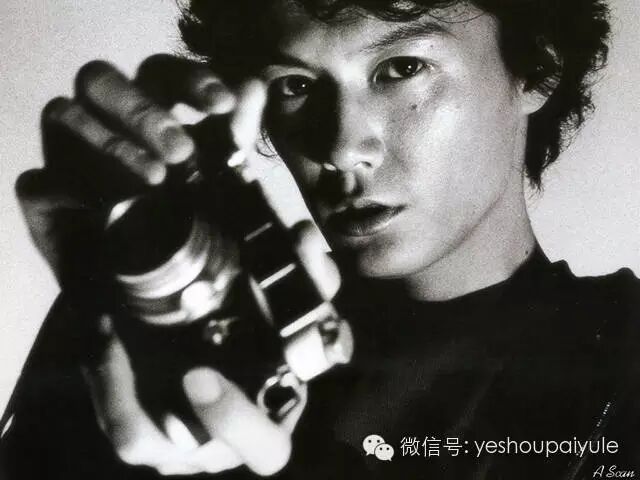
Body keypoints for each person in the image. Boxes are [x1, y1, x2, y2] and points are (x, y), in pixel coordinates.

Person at [1, 0, 638, 478]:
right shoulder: (172, 314)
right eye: (296, 85)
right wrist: (101, 317)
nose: (340, 146)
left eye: (402, 68)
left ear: (536, 69)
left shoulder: (622, 363)